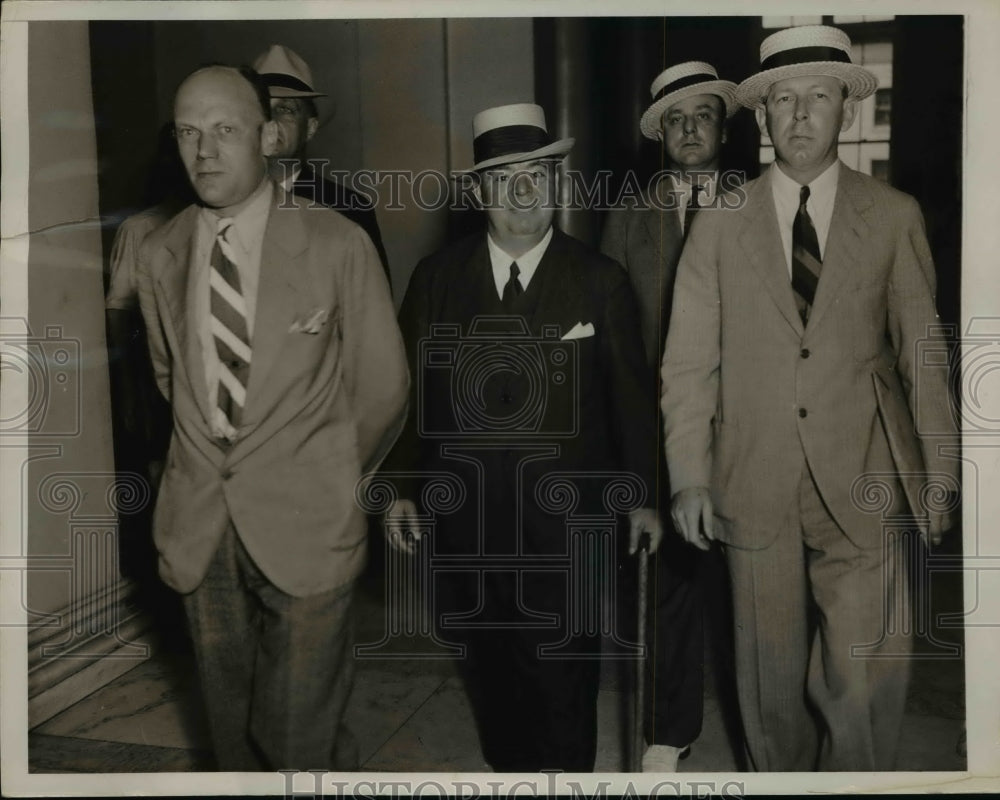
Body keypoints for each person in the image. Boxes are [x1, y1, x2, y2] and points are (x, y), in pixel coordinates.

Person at [660, 25, 959, 771]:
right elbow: (690, 359)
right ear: (761, 116)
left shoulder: (893, 217)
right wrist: (688, 476)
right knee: (767, 684)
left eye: (817, 98)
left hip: (865, 475)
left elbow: (926, 359)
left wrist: (943, 476)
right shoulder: (719, 225)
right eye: (783, 100)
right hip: (752, 476)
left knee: (863, 678)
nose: (799, 115)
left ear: (846, 112)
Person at [135, 64, 408, 771]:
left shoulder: (335, 243)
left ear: (269, 135)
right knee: (232, 739)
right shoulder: (159, 255)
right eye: (189, 133)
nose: (205, 152)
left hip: (308, 520)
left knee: (297, 737)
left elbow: (383, 386)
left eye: (225, 131)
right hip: (201, 523)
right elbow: (173, 380)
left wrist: (330, 474)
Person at [383, 102, 662, 772]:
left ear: (558, 184)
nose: (523, 192)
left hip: (569, 530)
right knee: (493, 684)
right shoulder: (437, 280)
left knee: (563, 689)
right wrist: (399, 486)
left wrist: (644, 496)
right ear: (479, 192)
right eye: (504, 178)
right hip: (467, 526)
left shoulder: (600, 282)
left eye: (536, 174)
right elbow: (409, 395)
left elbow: (631, 403)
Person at [600, 61, 739, 773]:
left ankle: (761, 726)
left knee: (752, 581)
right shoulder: (631, 213)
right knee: (669, 581)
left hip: (748, 424)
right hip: (660, 423)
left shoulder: (763, 205)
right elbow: (613, 330)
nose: (691, 129)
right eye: (677, 120)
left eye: (704, 116)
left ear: (725, 124)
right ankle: (669, 727)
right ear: (662, 135)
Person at [252, 44, 391, 281]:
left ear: (311, 127)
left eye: (285, 109)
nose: (271, 121)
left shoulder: (348, 208)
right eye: (262, 108)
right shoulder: (224, 204)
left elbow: (373, 310)